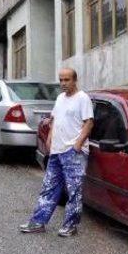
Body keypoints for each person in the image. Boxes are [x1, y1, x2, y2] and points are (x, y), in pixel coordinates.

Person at [19, 68, 94, 237]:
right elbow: (55, 119)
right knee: (48, 187)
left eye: (67, 80)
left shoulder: (83, 98)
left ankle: (70, 226)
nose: (63, 83)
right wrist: (50, 137)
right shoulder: (60, 98)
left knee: (74, 191)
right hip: (57, 151)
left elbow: (89, 123)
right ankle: (38, 222)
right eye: (61, 80)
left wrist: (77, 146)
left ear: (75, 80)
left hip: (73, 152)